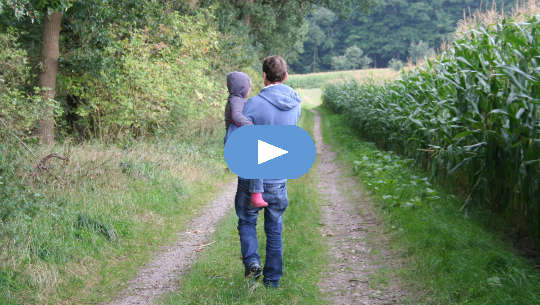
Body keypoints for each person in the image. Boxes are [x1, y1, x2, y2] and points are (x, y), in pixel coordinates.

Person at [235, 55, 301, 288]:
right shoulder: (296, 103)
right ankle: (272, 282)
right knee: (274, 229)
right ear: (285, 76)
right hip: (279, 178)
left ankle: (252, 261)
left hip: (253, 178)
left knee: (246, 220)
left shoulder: (252, 105)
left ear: (263, 76)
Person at [224, 71, 268, 208]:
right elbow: (237, 116)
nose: (250, 89)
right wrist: (251, 126)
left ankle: (255, 194)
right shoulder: (236, 100)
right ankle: (256, 194)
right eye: (249, 86)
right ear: (241, 87)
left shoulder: (234, 99)